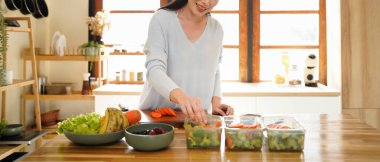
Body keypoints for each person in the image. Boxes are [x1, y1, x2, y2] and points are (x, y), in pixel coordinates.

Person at [139, 0, 234, 123]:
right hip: (156, 118)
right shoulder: (161, 19)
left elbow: (214, 70)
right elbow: (154, 70)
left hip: (196, 120)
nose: (206, 2)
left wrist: (216, 105)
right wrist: (182, 98)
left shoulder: (216, 29)